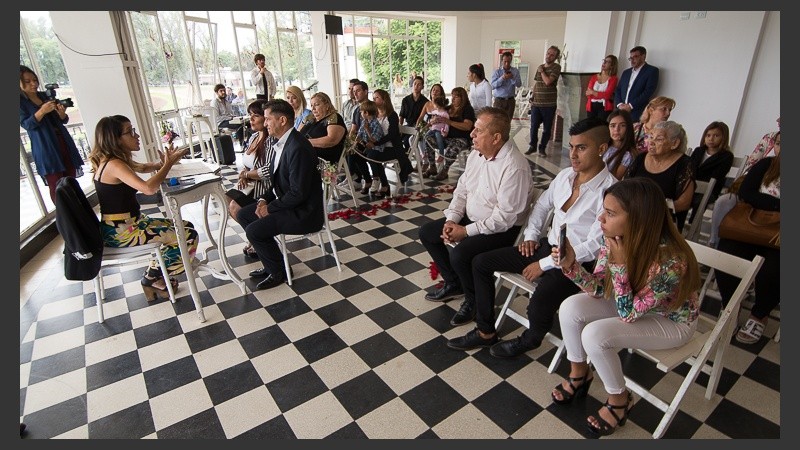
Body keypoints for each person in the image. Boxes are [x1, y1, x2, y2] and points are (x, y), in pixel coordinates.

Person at [446, 117, 617, 357]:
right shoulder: (566, 176)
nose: (573, 154)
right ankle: (486, 331)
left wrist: (544, 264)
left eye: (582, 147)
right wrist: (531, 235)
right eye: (571, 146)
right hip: (548, 247)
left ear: (601, 149)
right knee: (481, 262)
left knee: (540, 299)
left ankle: (531, 338)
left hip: (577, 264)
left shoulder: (610, 191)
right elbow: (542, 206)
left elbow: (595, 245)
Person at [551, 177, 700, 436]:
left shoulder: (672, 261)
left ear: (639, 218)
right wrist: (571, 265)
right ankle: (580, 374)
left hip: (672, 322)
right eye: (603, 210)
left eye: (610, 213)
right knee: (570, 307)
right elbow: (599, 289)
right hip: (632, 304)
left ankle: (620, 401)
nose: (600, 218)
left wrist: (619, 265)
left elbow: (627, 314)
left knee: (595, 335)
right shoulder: (617, 239)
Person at [420, 107, 532, 327]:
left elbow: (504, 219)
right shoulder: (476, 155)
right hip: (474, 220)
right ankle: (455, 284)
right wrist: (452, 219)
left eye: (478, 131)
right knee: (428, 233)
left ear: (496, 137)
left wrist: (466, 231)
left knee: (461, 253)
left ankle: (473, 302)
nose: (471, 134)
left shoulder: (514, 166)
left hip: (503, 231)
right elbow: (462, 191)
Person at [87, 115, 195, 300]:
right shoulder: (114, 164)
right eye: (130, 132)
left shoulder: (113, 161)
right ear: (116, 139)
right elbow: (149, 188)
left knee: (186, 226)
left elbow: (144, 167)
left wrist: (166, 162)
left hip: (122, 226)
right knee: (187, 234)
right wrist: (167, 165)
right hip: (123, 232)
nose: (136, 136)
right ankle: (152, 277)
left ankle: (156, 275)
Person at [236, 99, 323, 290]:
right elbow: (276, 182)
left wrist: (270, 208)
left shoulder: (298, 147)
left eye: (267, 119)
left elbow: (298, 193)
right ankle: (274, 265)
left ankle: (278, 272)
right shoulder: (281, 143)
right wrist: (262, 200)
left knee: (254, 231)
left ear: (282, 120)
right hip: (289, 204)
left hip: (304, 212)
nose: (265, 123)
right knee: (244, 214)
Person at [716, 132, 779, 344]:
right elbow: (746, 192)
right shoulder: (767, 165)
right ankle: (730, 306)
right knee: (726, 256)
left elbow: (756, 197)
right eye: (779, 143)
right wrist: (777, 205)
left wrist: (765, 202)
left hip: (779, 237)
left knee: (773, 270)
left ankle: (759, 314)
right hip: (750, 226)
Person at [709, 118, 779, 248]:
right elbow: (750, 167)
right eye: (778, 143)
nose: (778, 120)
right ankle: (714, 243)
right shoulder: (769, 142)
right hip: (754, 194)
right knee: (725, 201)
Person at [19, 65, 85, 203]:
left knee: (70, 178)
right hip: (45, 146)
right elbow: (27, 124)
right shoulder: (21, 103)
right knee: (57, 184)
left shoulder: (45, 96)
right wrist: (42, 111)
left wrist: (61, 113)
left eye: (35, 80)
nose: (34, 84)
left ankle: (79, 213)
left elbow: (61, 120)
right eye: (28, 81)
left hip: (63, 141)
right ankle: (65, 217)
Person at [625, 120, 695, 232]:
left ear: (674, 144)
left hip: (663, 219)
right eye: (650, 137)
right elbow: (625, 187)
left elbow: (684, 203)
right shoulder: (640, 158)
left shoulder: (684, 164)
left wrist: (652, 208)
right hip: (634, 214)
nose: (651, 142)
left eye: (659, 139)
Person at [229, 100, 275, 259]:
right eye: (250, 115)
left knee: (235, 206)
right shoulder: (254, 136)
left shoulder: (270, 141)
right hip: (252, 184)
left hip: (264, 189)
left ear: (266, 118)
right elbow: (248, 163)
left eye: (256, 116)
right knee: (226, 198)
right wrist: (244, 172)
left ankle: (257, 238)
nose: (252, 119)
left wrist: (247, 175)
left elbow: (268, 170)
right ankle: (255, 235)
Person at [422, 87, 476, 181]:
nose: (453, 99)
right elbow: (432, 114)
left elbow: (467, 126)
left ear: (462, 98)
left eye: (456, 97)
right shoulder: (448, 108)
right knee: (428, 139)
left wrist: (449, 122)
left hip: (462, 138)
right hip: (446, 137)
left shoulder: (467, 109)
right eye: (452, 96)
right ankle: (432, 167)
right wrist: (432, 120)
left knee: (453, 146)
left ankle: (444, 171)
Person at [687, 121, 734, 225]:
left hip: (709, 191)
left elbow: (717, 176)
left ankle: (692, 225)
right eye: (708, 135)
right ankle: (675, 223)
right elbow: (688, 168)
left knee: (698, 201)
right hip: (690, 186)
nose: (711, 139)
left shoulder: (726, 156)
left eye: (716, 136)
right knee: (678, 196)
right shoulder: (698, 150)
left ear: (724, 138)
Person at [371, 88, 414, 193]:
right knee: (367, 154)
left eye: (377, 97)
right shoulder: (375, 115)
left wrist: (375, 143)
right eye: (373, 98)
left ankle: (383, 183)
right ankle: (380, 181)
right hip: (380, 146)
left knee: (373, 156)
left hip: (392, 148)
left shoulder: (392, 115)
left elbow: (392, 135)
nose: (374, 100)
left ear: (384, 100)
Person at [526, 46, 562, 156]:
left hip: (549, 104)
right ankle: (532, 146)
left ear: (556, 57)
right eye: (548, 53)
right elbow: (537, 83)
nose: (548, 56)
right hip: (536, 103)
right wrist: (533, 96)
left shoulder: (556, 67)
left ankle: (542, 148)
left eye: (552, 55)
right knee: (534, 126)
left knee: (547, 128)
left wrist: (542, 71)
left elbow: (548, 81)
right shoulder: (540, 67)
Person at [613, 46, 660, 123]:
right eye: (630, 58)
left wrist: (630, 106)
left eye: (635, 57)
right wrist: (620, 104)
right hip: (621, 111)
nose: (632, 60)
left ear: (643, 57)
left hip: (637, 111)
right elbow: (618, 90)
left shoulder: (652, 71)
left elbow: (648, 91)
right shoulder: (626, 72)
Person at [300, 91, 347, 167]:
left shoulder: (334, 117)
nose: (313, 109)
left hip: (324, 159)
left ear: (327, 106)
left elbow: (332, 140)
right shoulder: (310, 118)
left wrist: (306, 142)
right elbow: (297, 134)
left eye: (316, 105)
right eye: (311, 105)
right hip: (306, 154)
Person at [352, 99, 385, 195]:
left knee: (371, 156)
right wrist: (355, 141)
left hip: (376, 148)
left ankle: (376, 178)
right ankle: (366, 179)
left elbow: (374, 140)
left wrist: (367, 129)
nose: (360, 114)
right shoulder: (365, 121)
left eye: (361, 112)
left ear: (366, 113)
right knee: (356, 154)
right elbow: (359, 134)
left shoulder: (375, 124)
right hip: (367, 146)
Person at [343, 80, 371, 189]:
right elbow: (353, 129)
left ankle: (354, 176)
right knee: (348, 146)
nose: (355, 93)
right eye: (354, 91)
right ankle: (355, 177)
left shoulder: (371, 107)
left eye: (358, 91)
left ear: (365, 91)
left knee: (355, 149)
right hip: (360, 140)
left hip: (371, 140)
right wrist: (349, 142)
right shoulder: (356, 109)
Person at [603, 109, 637, 180]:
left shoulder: (628, 155)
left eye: (622, 125)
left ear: (628, 128)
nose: (616, 129)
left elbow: (614, 179)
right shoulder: (603, 146)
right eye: (612, 126)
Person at [585, 55, 619, 122]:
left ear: (612, 65)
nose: (604, 63)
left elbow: (607, 95)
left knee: (600, 128)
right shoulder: (594, 77)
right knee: (589, 127)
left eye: (608, 62)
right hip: (591, 105)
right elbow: (588, 94)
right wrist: (600, 95)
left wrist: (593, 92)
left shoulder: (614, 79)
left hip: (604, 107)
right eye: (604, 61)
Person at [399, 75, 429, 150]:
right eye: (415, 84)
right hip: (407, 125)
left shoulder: (425, 101)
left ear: (422, 87)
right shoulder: (405, 100)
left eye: (419, 84)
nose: (416, 86)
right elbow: (401, 116)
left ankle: (407, 158)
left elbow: (426, 118)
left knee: (407, 141)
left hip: (418, 127)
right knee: (396, 138)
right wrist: (400, 128)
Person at [490, 51, 522, 120]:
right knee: (497, 122)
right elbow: (492, 86)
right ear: (502, 61)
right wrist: (502, 78)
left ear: (511, 61)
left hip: (510, 101)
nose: (507, 64)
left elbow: (519, 84)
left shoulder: (515, 71)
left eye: (509, 61)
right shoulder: (497, 71)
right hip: (499, 101)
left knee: (508, 122)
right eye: (505, 61)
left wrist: (512, 78)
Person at [424, 96, 450, 166]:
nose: (433, 105)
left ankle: (441, 155)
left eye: (434, 104)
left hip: (439, 130)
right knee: (425, 136)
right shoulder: (434, 112)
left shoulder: (445, 114)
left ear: (438, 105)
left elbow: (447, 124)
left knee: (439, 141)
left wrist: (445, 131)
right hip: (433, 129)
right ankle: (425, 152)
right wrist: (431, 121)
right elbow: (430, 119)